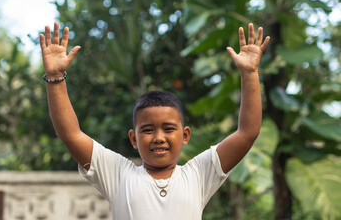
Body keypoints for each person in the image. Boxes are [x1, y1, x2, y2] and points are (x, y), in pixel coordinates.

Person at [39, 22, 270, 220]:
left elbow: (246, 133)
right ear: (134, 138)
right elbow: (71, 134)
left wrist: (249, 73)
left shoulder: (199, 174)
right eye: (148, 130)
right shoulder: (119, 175)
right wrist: (55, 78)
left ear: (185, 135)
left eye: (169, 129)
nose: (159, 138)